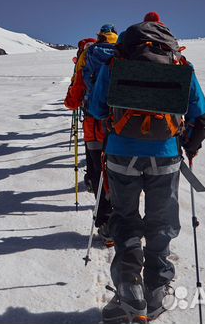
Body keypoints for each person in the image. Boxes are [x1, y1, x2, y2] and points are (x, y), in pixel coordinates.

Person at [89, 15, 205, 323]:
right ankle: (157, 290)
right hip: (165, 155)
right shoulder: (179, 64)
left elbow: (96, 108)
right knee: (161, 220)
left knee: (125, 218)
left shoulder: (115, 64)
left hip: (120, 155)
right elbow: (203, 113)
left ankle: (129, 290)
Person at [64, 25, 117, 244]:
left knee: (97, 171)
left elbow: (76, 90)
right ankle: (124, 220)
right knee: (119, 171)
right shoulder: (124, 53)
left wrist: (71, 102)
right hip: (120, 125)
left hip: (94, 124)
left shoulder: (89, 55)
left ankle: (106, 223)